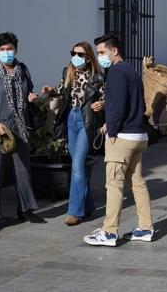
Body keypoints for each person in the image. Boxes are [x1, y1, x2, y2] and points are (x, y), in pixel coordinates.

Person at [83, 34, 153, 246]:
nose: (99, 56)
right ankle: (145, 228)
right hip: (139, 135)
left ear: (114, 51)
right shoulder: (131, 71)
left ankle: (109, 232)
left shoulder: (115, 72)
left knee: (113, 184)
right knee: (137, 183)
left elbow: (119, 105)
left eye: (102, 52)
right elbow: (132, 102)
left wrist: (111, 129)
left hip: (122, 137)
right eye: (97, 52)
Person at [0, 32, 45, 234]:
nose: (6, 52)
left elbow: (27, 91)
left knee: (22, 170)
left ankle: (26, 209)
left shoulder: (22, 69)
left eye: (9, 49)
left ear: (15, 49)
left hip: (20, 128)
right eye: (2, 50)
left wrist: (31, 97)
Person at [42, 41, 105, 226]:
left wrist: (102, 104)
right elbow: (61, 91)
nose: (76, 57)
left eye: (81, 54)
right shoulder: (68, 72)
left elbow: (105, 97)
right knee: (78, 166)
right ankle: (89, 205)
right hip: (71, 118)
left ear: (89, 57)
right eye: (74, 53)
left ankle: (75, 212)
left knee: (77, 165)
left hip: (87, 121)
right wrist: (49, 90)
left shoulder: (97, 76)